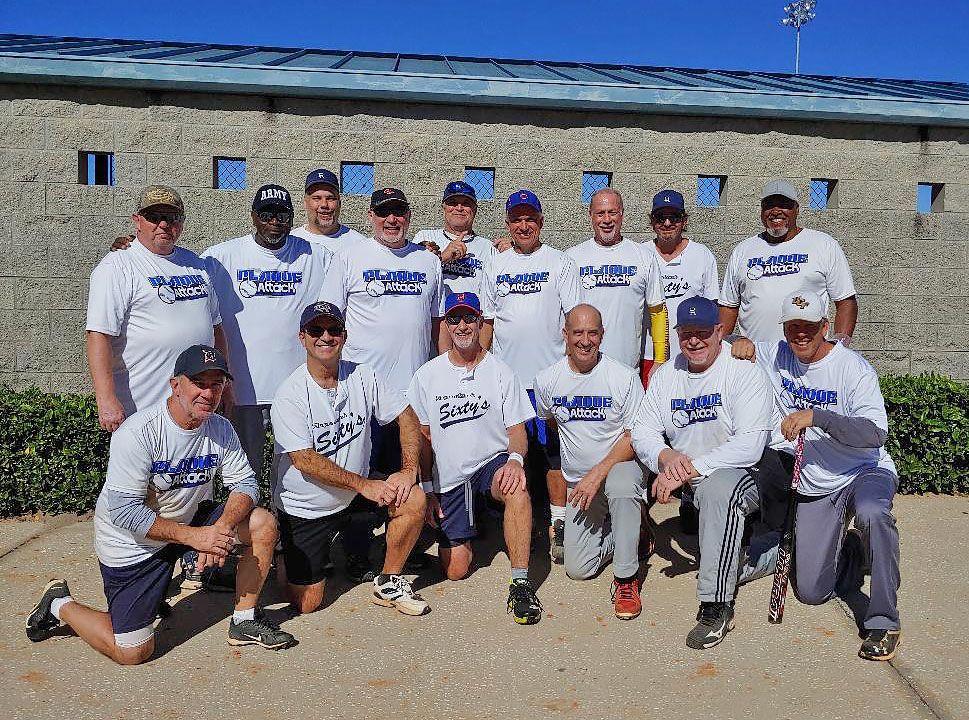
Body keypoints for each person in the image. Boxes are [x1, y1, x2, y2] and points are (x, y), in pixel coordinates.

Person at [25, 345, 295, 664]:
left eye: (217, 383)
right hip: (132, 544)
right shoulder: (139, 432)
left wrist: (219, 530)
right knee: (132, 652)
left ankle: (245, 620)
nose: (209, 393)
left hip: (188, 522)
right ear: (175, 385)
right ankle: (60, 604)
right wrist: (197, 538)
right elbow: (124, 511)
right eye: (199, 382)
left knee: (262, 522)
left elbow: (246, 484)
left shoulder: (220, 428)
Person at [730, 290, 902, 661]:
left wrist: (818, 417)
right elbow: (718, 342)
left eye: (809, 326)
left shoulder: (853, 368)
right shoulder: (777, 354)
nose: (801, 334)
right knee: (811, 592)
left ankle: (884, 620)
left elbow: (875, 434)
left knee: (873, 512)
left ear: (825, 326)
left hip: (864, 470)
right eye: (793, 326)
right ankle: (852, 550)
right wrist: (737, 342)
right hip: (816, 482)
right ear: (784, 329)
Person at [631, 296, 773, 649]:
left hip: (747, 474)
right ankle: (776, 554)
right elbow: (643, 431)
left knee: (718, 491)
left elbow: (750, 445)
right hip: (694, 481)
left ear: (719, 331)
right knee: (722, 553)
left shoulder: (743, 371)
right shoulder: (666, 375)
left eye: (703, 333)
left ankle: (715, 605)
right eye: (686, 333)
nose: (694, 341)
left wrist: (689, 469)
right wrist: (665, 457)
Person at [270, 302, 430, 616]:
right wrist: (364, 485)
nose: (325, 336)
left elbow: (407, 415)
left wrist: (409, 470)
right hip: (307, 507)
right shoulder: (290, 394)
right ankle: (282, 551)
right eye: (316, 330)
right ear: (302, 337)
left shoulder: (363, 375)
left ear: (344, 336)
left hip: (354, 495)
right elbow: (304, 460)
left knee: (413, 498)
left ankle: (389, 581)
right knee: (307, 603)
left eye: (333, 329)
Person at [319, 187, 443, 579]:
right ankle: (357, 553)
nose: (392, 220)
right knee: (363, 476)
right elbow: (329, 322)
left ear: (408, 216)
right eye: (384, 213)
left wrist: (441, 377)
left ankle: (402, 549)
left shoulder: (428, 261)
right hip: (363, 393)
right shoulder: (349, 257)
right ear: (371, 216)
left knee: (406, 475)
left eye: (399, 213)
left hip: (411, 394)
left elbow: (437, 325)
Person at [408, 292, 543, 625]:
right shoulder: (428, 374)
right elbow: (421, 438)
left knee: (517, 488)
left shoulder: (500, 371)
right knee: (455, 570)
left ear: (481, 322)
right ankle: (471, 525)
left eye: (470, 318)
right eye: (454, 319)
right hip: (451, 475)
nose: (463, 326)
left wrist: (515, 460)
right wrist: (427, 489)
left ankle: (521, 583)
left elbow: (517, 430)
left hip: (490, 465)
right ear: (446, 325)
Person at [201, 184, 333, 481]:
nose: (274, 221)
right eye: (266, 214)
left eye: (282, 215)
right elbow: (174, 267)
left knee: (298, 474)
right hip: (243, 390)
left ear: (292, 218)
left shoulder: (316, 255)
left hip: (299, 390)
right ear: (253, 216)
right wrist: (133, 249)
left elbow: (359, 264)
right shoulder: (220, 257)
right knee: (244, 475)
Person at [481, 190, 583, 565]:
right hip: (508, 381)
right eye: (516, 219)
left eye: (530, 219)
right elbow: (487, 321)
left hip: (550, 379)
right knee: (512, 455)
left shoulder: (561, 262)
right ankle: (516, 522)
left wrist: (573, 371)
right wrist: (481, 369)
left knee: (553, 455)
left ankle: (558, 523)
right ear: (508, 223)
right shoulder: (495, 264)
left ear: (540, 222)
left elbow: (574, 320)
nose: (523, 226)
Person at [534, 305, 648, 620]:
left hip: (618, 471)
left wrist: (597, 473)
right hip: (580, 484)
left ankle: (626, 578)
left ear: (602, 335)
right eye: (578, 333)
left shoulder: (623, 377)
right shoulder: (547, 380)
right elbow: (552, 423)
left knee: (622, 482)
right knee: (578, 568)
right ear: (565, 335)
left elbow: (634, 438)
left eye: (592, 333)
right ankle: (630, 533)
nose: (585, 341)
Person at [86, 186, 224, 432]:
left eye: (172, 217)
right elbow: (98, 335)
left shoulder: (196, 264)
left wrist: (222, 385)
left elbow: (216, 328)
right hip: (142, 408)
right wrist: (105, 399)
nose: (163, 224)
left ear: (182, 222)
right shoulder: (117, 266)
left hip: (194, 409)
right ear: (137, 220)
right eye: (154, 217)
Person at [644, 189, 720, 534]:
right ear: (652, 222)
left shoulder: (702, 255)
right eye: (661, 217)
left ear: (684, 220)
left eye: (674, 217)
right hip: (651, 357)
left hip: (693, 355)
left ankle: (692, 495)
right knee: (654, 428)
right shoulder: (641, 253)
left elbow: (714, 310)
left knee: (693, 424)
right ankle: (645, 499)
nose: (667, 223)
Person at [719, 179, 858, 344]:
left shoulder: (823, 244)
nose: (776, 211)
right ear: (762, 210)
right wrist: (720, 347)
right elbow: (729, 306)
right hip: (755, 355)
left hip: (806, 353)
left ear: (797, 209)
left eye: (784, 205)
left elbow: (845, 301)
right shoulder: (743, 250)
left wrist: (839, 346)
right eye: (769, 205)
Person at [566, 188, 668, 380]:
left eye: (612, 212)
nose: (606, 219)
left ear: (621, 213)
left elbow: (658, 311)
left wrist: (660, 360)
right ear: (590, 215)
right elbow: (564, 317)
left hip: (627, 372)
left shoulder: (643, 257)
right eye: (600, 213)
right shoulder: (572, 258)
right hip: (582, 370)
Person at [412, 181, 499, 349]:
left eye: (466, 204)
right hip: (433, 333)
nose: (459, 208)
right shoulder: (425, 237)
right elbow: (413, 279)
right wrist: (442, 257)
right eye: (453, 203)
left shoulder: (487, 247)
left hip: (471, 333)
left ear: (475, 209)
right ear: (443, 207)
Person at [289, 168, 368, 252]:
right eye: (317, 198)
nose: (324, 205)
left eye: (330, 198)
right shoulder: (289, 243)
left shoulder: (359, 244)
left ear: (339, 203)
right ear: (305, 202)